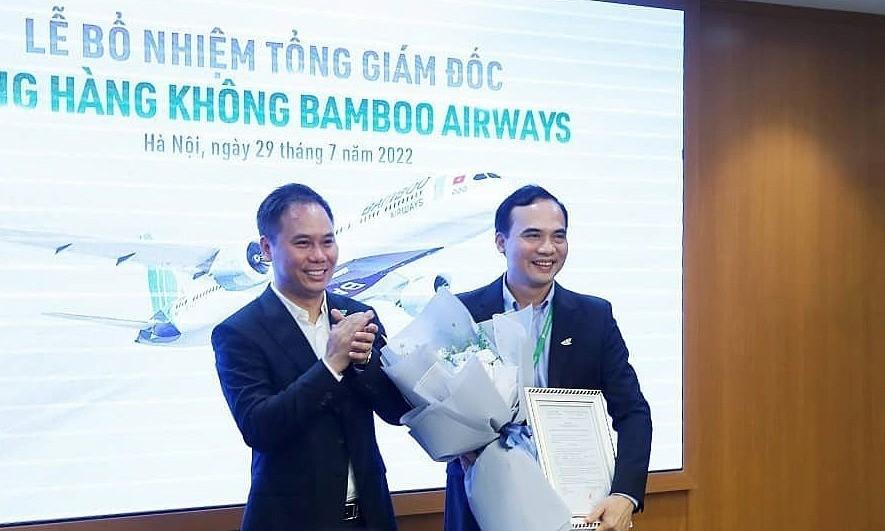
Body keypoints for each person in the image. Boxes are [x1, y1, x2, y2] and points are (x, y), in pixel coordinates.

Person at [444, 185, 652, 531]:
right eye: (533, 235)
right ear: (500, 242)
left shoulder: (594, 317)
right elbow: (435, 407)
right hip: (481, 503)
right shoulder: (462, 312)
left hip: (575, 505)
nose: (547, 248)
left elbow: (633, 412)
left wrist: (625, 494)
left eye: (559, 236)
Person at [212, 183, 411, 531]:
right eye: (303, 243)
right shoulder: (239, 332)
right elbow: (259, 427)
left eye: (328, 241)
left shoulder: (358, 315)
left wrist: (365, 363)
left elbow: (397, 411)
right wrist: (331, 365)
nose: (319, 256)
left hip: (370, 518)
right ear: (266, 248)